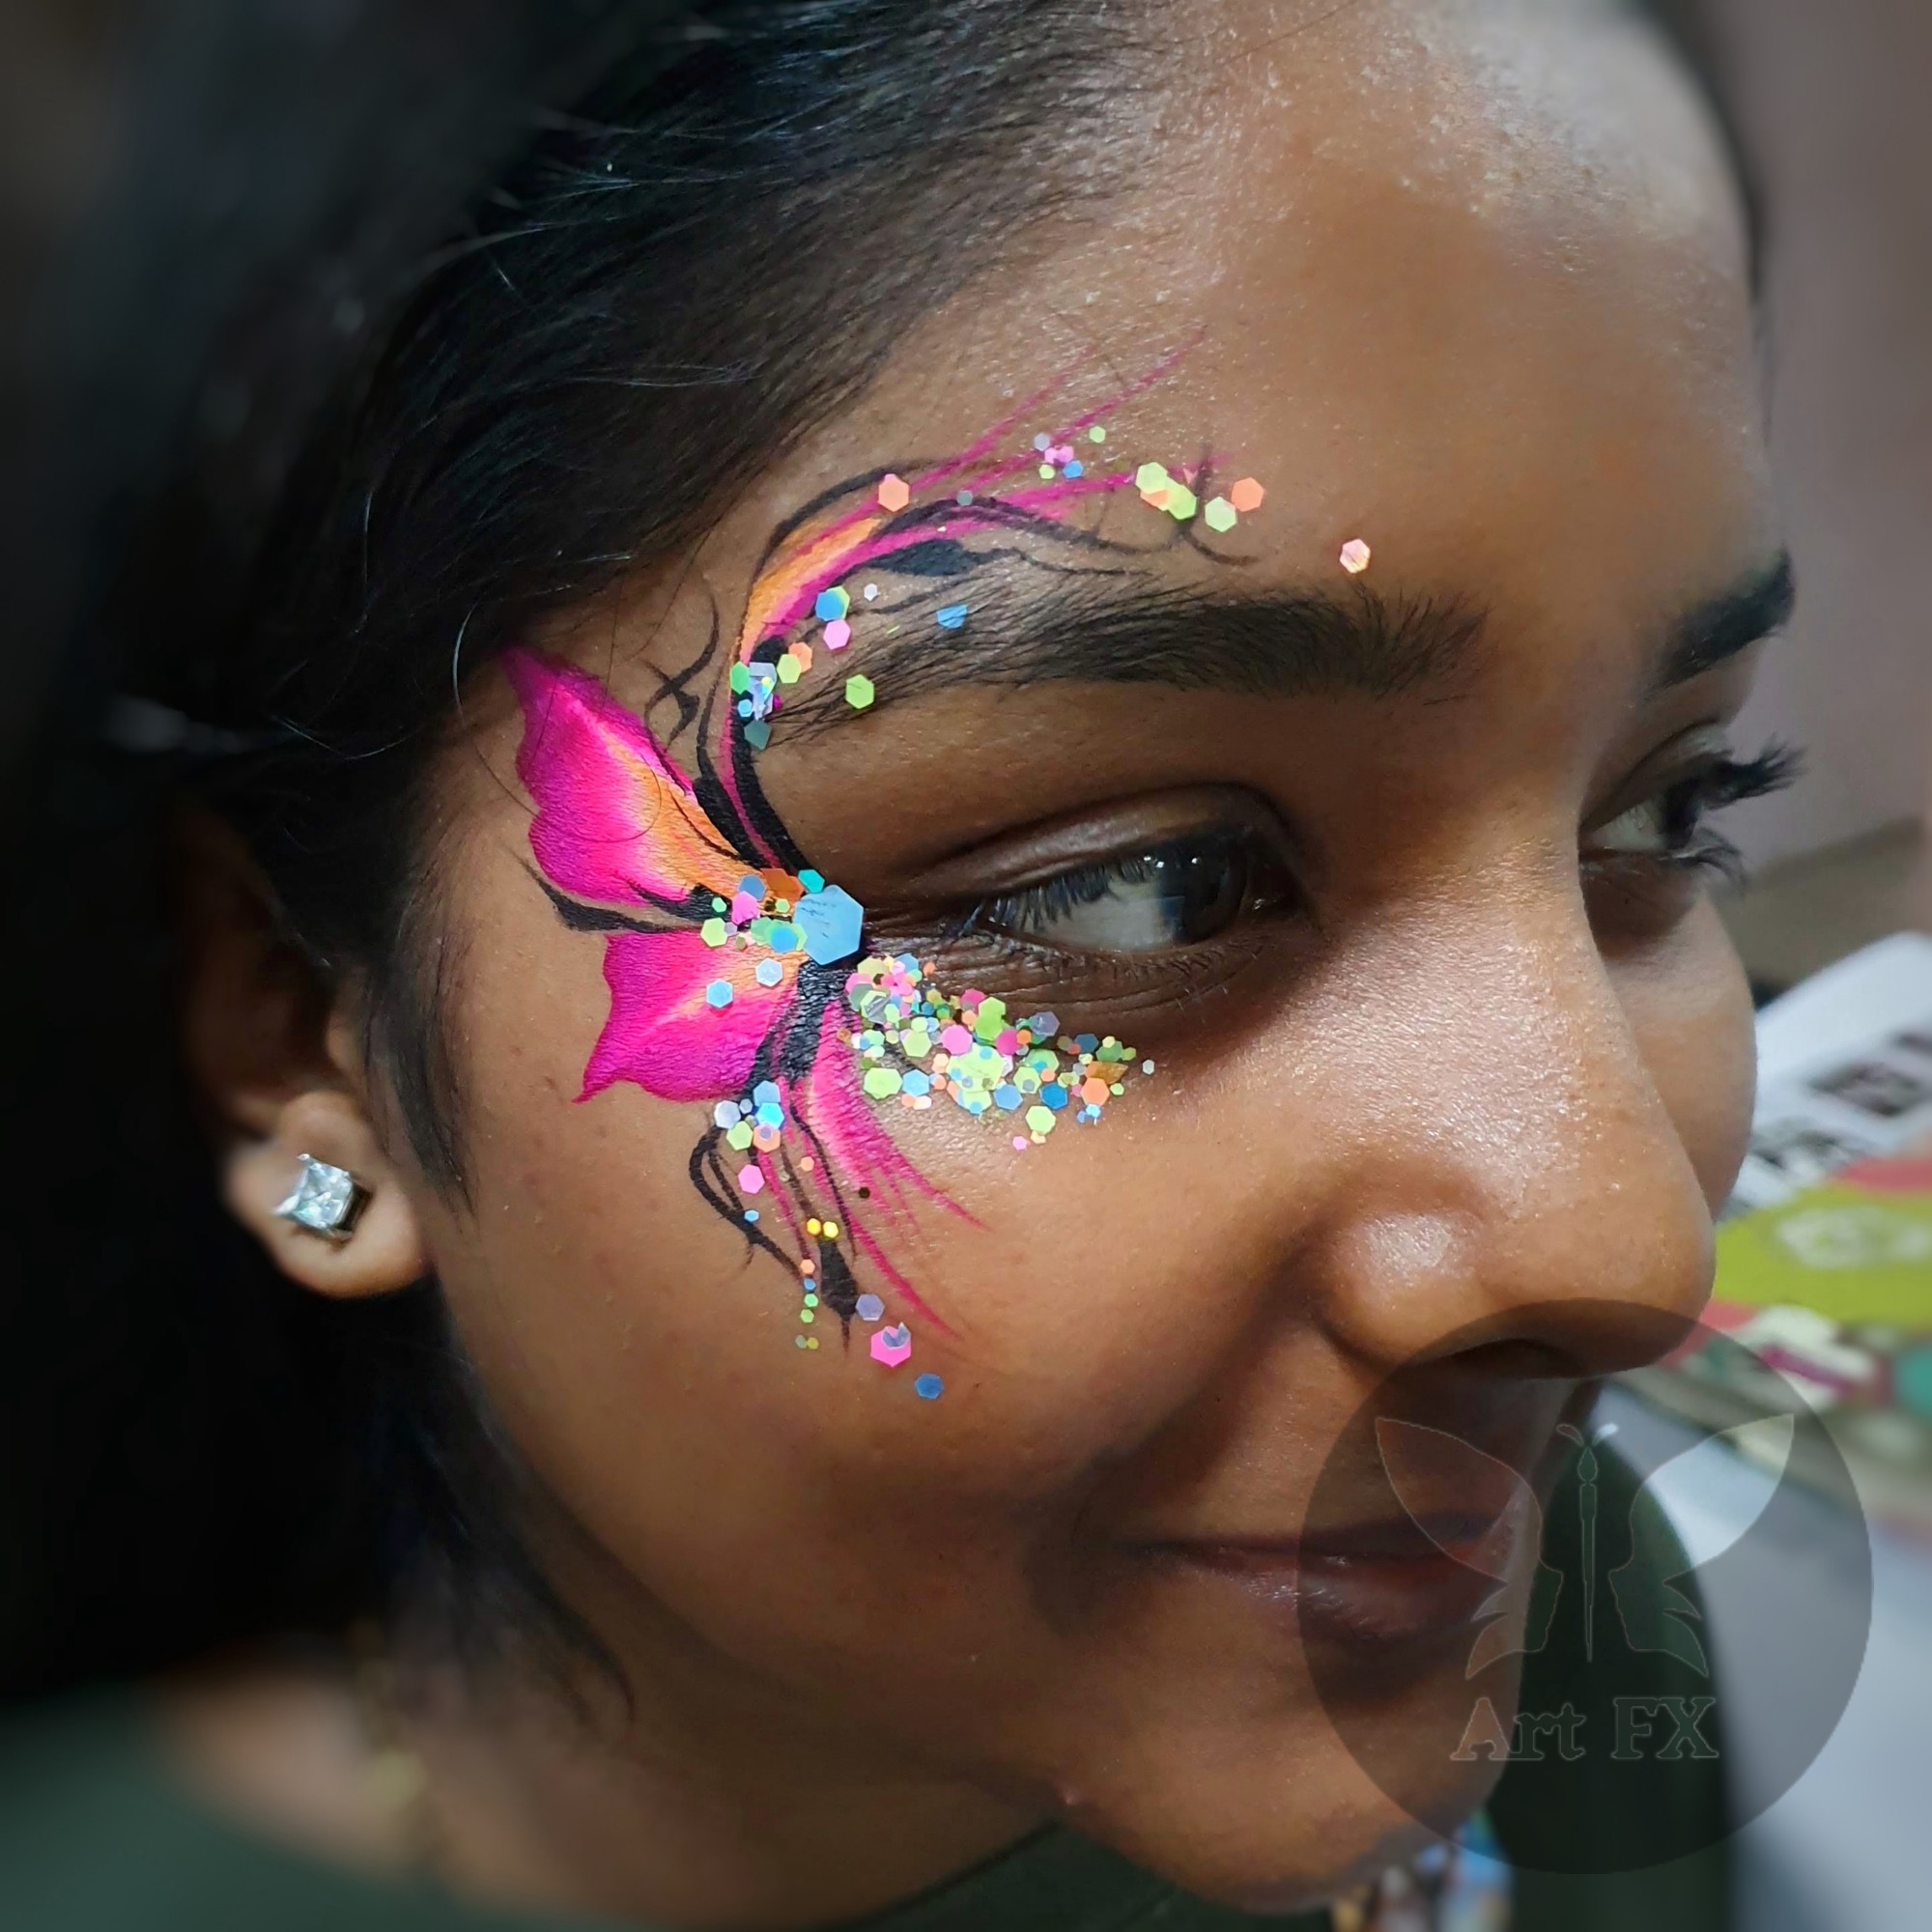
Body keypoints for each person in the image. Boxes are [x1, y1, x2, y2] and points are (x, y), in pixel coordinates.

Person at [0, 1, 1793, 1925]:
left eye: (1661, 814)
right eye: (1150, 889)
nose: (1623, 1250)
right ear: (303, 1034)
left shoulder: (1557, 1615)